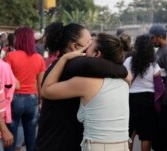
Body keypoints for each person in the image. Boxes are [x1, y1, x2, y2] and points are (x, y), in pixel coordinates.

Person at [36, 22, 129, 151]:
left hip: (58, 139)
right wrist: (123, 72)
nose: (91, 43)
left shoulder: (63, 65)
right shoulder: (73, 65)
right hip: (58, 142)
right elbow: (96, 66)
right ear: (75, 47)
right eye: (89, 41)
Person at [4, 27, 46, 151]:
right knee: (31, 138)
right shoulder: (38, 58)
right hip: (32, 99)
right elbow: (40, 83)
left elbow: (6, 81)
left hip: (14, 99)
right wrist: (40, 101)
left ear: (19, 39)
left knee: (10, 137)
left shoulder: (10, 56)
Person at [123, 34, 161, 151]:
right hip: (148, 100)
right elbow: (159, 85)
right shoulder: (154, 64)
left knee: (130, 133)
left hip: (131, 99)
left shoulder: (128, 61)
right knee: (146, 135)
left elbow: (124, 78)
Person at [149, 24, 167, 151]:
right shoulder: (161, 49)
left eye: (153, 38)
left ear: (160, 37)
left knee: (166, 126)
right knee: (161, 125)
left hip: (166, 95)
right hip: (161, 94)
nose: (152, 41)